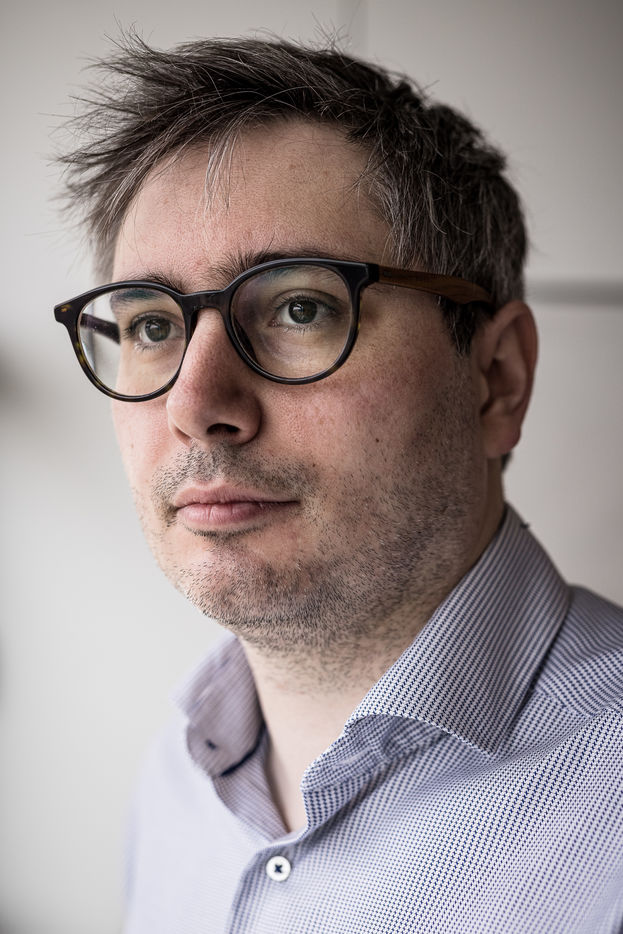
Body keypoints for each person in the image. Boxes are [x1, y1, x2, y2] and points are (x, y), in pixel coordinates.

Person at [54, 34, 623, 934]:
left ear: (495, 379)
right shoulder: (175, 777)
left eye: (299, 307)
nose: (194, 406)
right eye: (153, 326)